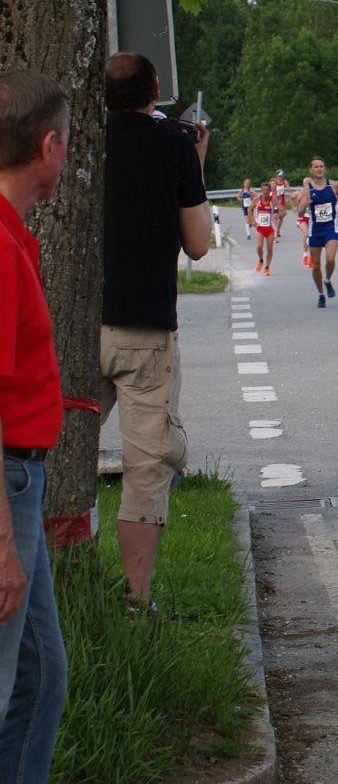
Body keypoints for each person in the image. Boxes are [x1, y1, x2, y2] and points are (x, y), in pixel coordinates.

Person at [100, 52, 211, 607]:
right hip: (143, 325)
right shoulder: (174, 144)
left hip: (74, 323)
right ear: (156, 89)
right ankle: (135, 603)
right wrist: (195, 163)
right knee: (146, 469)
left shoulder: (79, 140)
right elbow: (198, 244)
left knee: (48, 450)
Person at [0, 69, 70, 783]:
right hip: (7, 479)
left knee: (41, 675)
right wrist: (2, 547)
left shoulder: (13, 234)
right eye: (68, 143)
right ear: (48, 146)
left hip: (22, 477)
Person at [296, 158, 338, 308]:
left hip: (330, 228)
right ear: (311, 170)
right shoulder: (307, 189)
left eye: (321, 166)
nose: (319, 169)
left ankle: (328, 280)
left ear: (325, 168)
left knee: (330, 259)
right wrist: (304, 204)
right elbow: (300, 213)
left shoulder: (333, 185)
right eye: (316, 167)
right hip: (315, 230)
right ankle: (321, 294)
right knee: (316, 265)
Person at [249, 181, 277, 275]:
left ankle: (267, 267)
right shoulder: (257, 199)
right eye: (263, 190)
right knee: (259, 247)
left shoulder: (273, 200)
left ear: (270, 191)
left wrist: (278, 215)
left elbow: (282, 210)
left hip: (270, 228)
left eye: (267, 190)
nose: (265, 192)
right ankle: (261, 260)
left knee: (270, 249)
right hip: (260, 228)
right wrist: (252, 221)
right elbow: (250, 209)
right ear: (261, 190)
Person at [273, 170, 289, 239]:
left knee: (283, 215)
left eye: (282, 176)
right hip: (276, 199)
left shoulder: (285, 182)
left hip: (282, 199)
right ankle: (275, 230)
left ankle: (278, 229)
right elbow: (272, 189)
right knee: (276, 215)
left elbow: (288, 190)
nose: (280, 177)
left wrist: (287, 198)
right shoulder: (275, 182)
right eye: (279, 176)